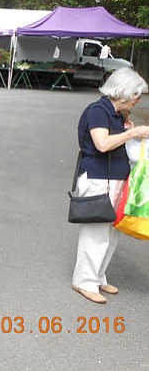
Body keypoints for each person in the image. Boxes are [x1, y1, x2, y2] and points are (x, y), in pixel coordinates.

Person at [72, 68, 149, 304]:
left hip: (113, 179)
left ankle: (97, 276)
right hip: (97, 179)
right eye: (136, 95)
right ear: (123, 92)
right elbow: (102, 144)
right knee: (96, 233)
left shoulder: (117, 114)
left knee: (111, 233)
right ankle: (84, 281)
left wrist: (128, 130)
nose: (138, 100)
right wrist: (133, 132)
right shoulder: (98, 111)